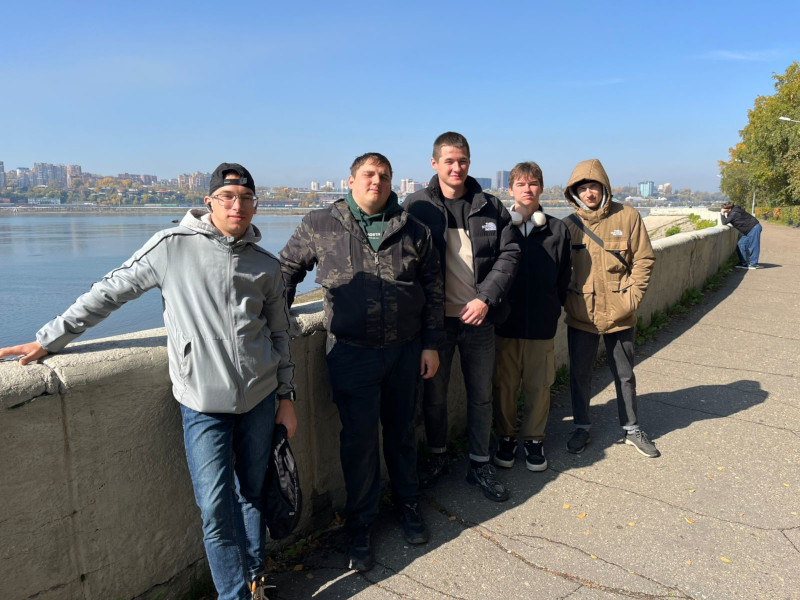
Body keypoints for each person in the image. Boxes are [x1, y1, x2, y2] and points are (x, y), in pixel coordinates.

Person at [0, 163, 298, 600]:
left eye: (246, 198)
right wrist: (49, 339)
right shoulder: (171, 246)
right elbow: (109, 291)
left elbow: (280, 333)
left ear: (255, 206)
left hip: (259, 398)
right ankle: (232, 596)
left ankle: (255, 581)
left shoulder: (266, 265)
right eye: (228, 197)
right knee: (215, 509)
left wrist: (286, 397)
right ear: (209, 202)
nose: (237, 206)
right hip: (202, 402)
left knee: (252, 493)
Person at [279, 152, 443, 572]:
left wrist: (431, 345)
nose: (377, 181)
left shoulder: (414, 229)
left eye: (384, 176)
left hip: (405, 350)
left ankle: (408, 504)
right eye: (369, 174)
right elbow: (285, 272)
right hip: (351, 352)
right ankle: (360, 525)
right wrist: (270, 326)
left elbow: (432, 289)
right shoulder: (320, 224)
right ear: (350, 181)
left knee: (403, 433)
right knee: (359, 443)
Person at [404, 132, 520, 502]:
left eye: (463, 161)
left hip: (479, 320)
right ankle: (437, 456)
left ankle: (479, 463)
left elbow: (510, 254)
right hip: (435, 323)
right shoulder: (415, 206)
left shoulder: (489, 205)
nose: (457, 168)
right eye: (450, 161)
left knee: (481, 395)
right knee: (434, 395)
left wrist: (485, 298)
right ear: (434, 163)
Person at [562, 158, 659, 458]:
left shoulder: (628, 216)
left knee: (625, 375)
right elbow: (558, 270)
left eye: (594, 186)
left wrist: (631, 298)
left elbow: (644, 259)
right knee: (580, 375)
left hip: (621, 313)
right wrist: (569, 300)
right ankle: (581, 427)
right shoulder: (568, 226)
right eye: (583, 188)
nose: (589, 193)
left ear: (604, 188)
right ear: (574, 192)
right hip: (582, 314)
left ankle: (632, 428)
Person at [492, 162, 571, 472]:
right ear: (510, 189)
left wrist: (552, 307)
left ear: (541, 188)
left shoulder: (557, 230)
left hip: (541, 324)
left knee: (539, 386)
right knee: (504, 386)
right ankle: (506, 437)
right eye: (521, 184)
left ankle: (534, 439)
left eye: (533, 183)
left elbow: (564, 277)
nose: (528, 189)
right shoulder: (500, 227)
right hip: (505, 323)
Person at [720, 201, 763, 269]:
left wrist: (722, 213)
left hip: (753, 228)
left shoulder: (734, 213)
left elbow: (724, 222)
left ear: (729, 209)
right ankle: (743, 263)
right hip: (748, 231)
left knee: (753, 246)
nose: (723, 211)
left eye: (724, 210)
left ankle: (753, 264)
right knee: (741, 244)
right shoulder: (733, 211)